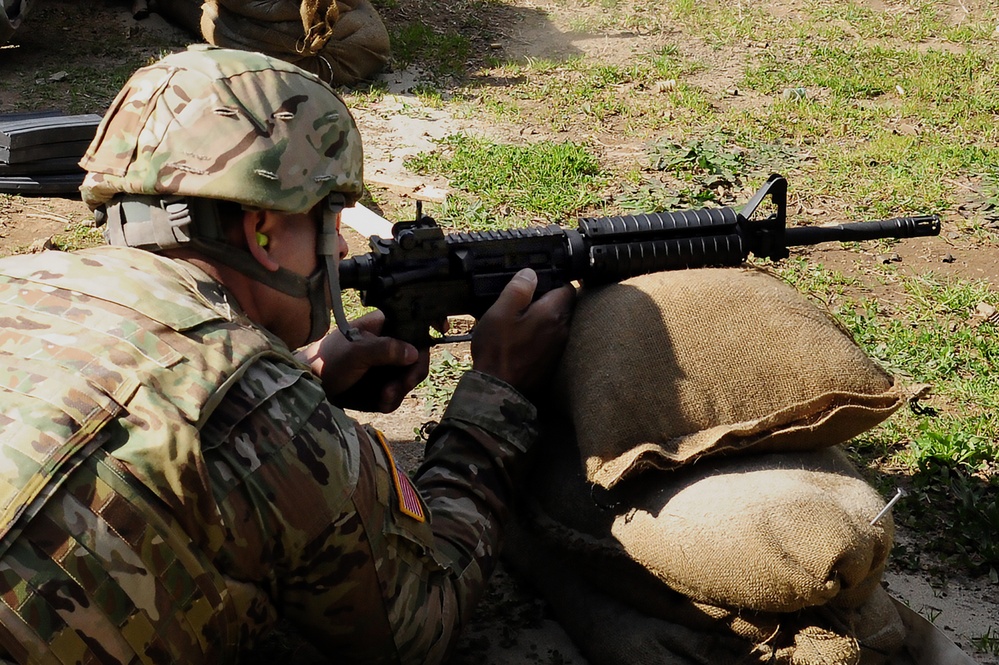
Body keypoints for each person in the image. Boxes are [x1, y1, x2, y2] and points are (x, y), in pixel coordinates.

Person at [0, 45, 574, 664]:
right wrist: (496, 395)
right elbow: (419, 625)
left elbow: (106, 402)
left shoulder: (16, 282)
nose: (343, 243)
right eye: (327, 217)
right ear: (262, 233)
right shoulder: (265, 414)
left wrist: (294, 378)